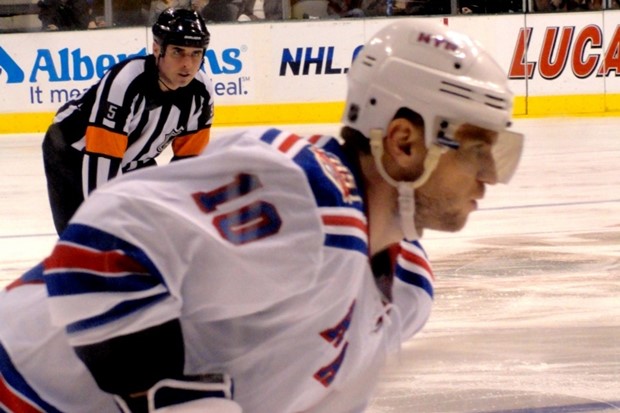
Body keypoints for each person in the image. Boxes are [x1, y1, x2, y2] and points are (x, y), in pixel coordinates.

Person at [0, 20, 524, 412]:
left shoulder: (408, 291)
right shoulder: (300, 192)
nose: (491, 176)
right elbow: (95, 253)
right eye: (478, 151)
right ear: (405, 142)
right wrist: (169, 398)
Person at [41, 7, 215, 235]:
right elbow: (101, 162)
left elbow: (188, 165)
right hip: (73, 154)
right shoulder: (126, 83)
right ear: (156, 49)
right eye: (177, 52)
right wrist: (103, 225)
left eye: (196, 54)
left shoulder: (201, 93)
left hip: (133, 159)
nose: (187, 64)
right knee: (85, 241)